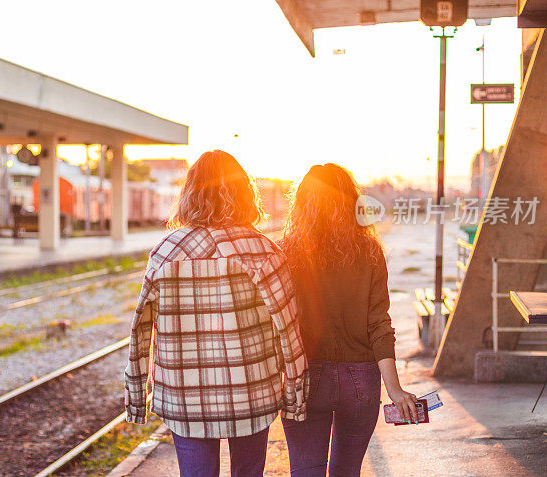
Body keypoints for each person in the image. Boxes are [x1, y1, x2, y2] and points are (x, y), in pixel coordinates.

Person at [124, 150, 307, 477]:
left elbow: (140, 331)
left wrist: (137, 396)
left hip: (184, 396)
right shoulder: (263, 250)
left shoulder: (166, 252)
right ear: (244, 193)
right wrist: (295, 395)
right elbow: (288, 330)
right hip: (252, 392)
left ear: (189, 192)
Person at [280, 163, 417, 477]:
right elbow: (379, 323)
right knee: (347, 471)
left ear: (302, 204)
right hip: (361, 379)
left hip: (304, 377)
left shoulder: (285, 252)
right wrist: (394, 389)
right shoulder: (369, 251)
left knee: (305, 471)